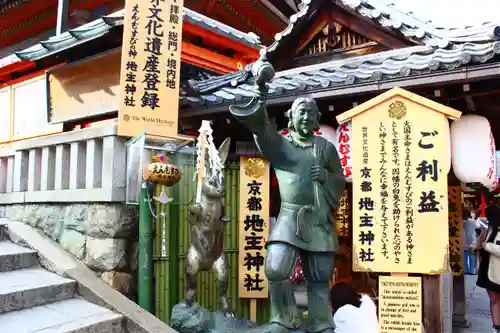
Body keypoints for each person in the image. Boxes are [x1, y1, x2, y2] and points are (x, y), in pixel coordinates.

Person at [230, 59, 345, 333]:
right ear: (291, 118)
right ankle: (284, 318)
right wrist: (261, 93)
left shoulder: (325, 148)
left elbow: (340, 181)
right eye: (300, 113)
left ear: (317, 119)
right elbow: (262, 131)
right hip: (289, 216)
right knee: (276, 268)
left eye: (310, 113)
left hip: (317, 219)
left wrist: (325, 178)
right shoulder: (283, 146)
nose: (305, 117)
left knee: (319, 276)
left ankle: (320, 323)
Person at [476, 202, 500, 333]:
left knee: (497, 299)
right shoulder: (489, 228)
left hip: (497, 269)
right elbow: (480, 242)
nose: (488, 219)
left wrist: (487, 246)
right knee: (493, 299)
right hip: (487, 267)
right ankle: (495, 326)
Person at [464, 210, 480, 274]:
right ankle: (472, 271)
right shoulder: (472, 221)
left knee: (465, 258)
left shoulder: (460, 222)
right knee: (472, 258)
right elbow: (478, 227)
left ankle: (466, 270)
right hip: (472, 242)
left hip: (464, 243)